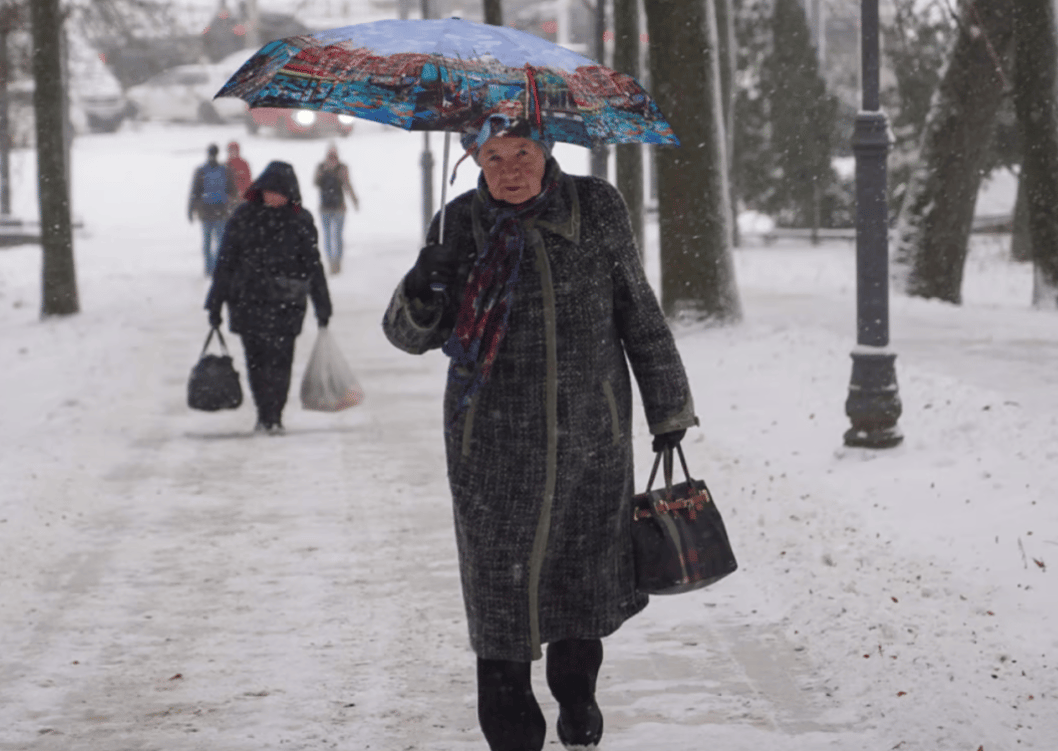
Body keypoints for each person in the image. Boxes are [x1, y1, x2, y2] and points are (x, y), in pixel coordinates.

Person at [381, 113, 698, 751]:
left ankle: (576, 692)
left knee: (582, 583)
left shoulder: (598, 208)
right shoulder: (457, 224)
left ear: (546, 150)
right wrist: (423, 284)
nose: (510, 171)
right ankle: (512, 730)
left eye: (521, 152)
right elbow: (411, 337)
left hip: (591, 438)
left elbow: (637, 309)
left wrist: (668, 410)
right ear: (473, 159)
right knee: (501, 596)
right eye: (492, 157)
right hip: (490, 446)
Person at [205, 161, 331, 435]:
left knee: (281, 362)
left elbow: (313, 265)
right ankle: (265, 412)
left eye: (280, 192)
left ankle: (275, 413)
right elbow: (225, 262)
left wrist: (323, 304)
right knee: (257, 362)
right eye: (269, 191)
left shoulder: (300, 220)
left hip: (286, 305)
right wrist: (214, 302)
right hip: (249, 304)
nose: (274, 197)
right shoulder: (243, 217)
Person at [188, 144, 235, 276]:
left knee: (207, 242)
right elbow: (232, 190)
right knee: (220, 242)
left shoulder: (201, 170)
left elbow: (194, 191)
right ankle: (216, 267)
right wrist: (233, 208)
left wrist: (191, 210)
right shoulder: (225, 170)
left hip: (205, 212)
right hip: (221, 210)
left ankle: (209, 269)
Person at [312, 144, 359, 274]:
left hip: (338, 207)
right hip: (326, 207)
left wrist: (354, 200)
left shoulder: (341, 168)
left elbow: (347, 184)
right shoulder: (321, 167)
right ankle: (332, 261)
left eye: (334, 156)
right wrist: (323, 173)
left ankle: (337, 260)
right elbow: (315, 182)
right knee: (328, 236)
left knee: (337, 236)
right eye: (330, 156)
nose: (332, 159)